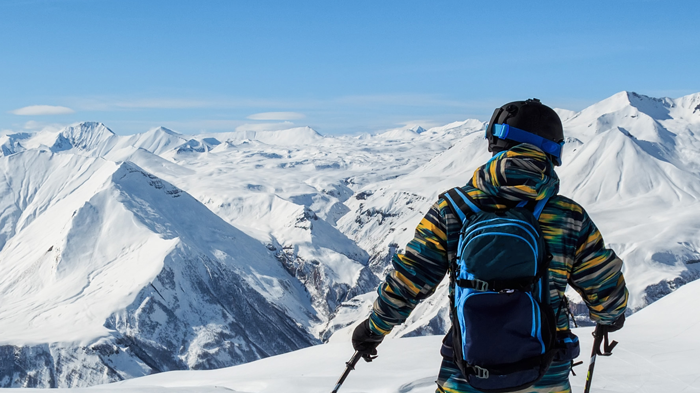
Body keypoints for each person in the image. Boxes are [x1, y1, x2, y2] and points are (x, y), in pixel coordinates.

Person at [352, 99, 629, 393]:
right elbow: (604, 285)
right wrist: (610, 319)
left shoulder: (454, 209)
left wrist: (374, 329)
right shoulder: (569, 217)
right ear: (553, 152)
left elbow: (410, 278)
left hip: (467, 371)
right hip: (545, 373)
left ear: (495, 143)